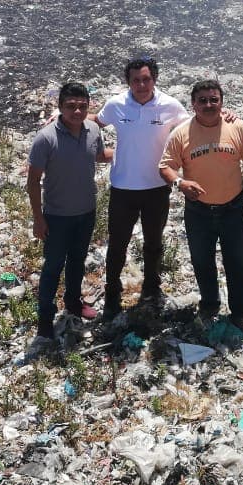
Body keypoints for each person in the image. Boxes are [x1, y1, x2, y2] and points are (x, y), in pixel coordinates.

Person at [159, 80, 243, 333]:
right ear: (193, 104)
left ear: (221, 102)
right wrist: (180, 183)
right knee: (202, 261)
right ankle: (210, 303)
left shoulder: (237, 127)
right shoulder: (182, 133)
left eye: (213, 99)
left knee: (238, 263)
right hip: (199, 211)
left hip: (233, 209)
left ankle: (240, 312)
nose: (208, 105)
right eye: (202, 100)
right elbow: (165, 167)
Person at [94, 57, 188, 321]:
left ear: (154, 79)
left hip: (157, 187)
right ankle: (112, 292)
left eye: (146, 79)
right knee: (117, 245)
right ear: (128, 82)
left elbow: (194, 127)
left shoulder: (170, 106)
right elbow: (96, 121)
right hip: (123, 187)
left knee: (154, 243)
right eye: (136, 80)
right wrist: (61, 115)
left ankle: (151, 287)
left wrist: (225, 117)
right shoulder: (116, 104)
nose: (141, 84)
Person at [26, 82, 112, 344]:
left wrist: (130, 154)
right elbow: (32, 181)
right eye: (71, 106)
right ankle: (44, 319)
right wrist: (38, 219)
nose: (77, 111)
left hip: (86, 212)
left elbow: (97, 155)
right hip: (57, 215)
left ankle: (73, 304)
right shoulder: (46, 137)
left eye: (82, 106)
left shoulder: (94, 129)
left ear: (89, 107)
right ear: (60, 107)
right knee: (53, 267)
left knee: (77, 261)